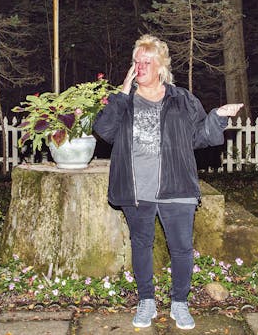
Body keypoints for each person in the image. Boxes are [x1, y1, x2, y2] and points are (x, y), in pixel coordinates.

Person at [94, 34, 243, 330]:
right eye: (137, 61)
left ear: (161, 66)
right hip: (137, 189)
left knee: (182, 248)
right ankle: (146, 300)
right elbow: (105, 131)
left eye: (147, 61)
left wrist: (218, 116)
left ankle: (180, 303)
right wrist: (122, 93)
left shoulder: (182, 99)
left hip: (177, 185)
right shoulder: (125, 101)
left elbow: (199, 136)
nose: (140, 66)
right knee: (141, 244)